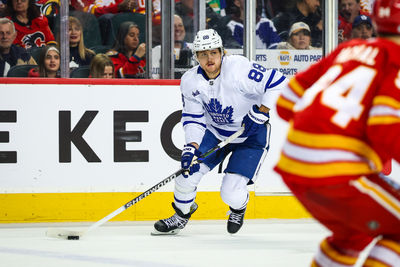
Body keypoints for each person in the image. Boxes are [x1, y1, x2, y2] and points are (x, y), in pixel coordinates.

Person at [274, 0, 400, 266]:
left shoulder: (348, 49)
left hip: (292, 165)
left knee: (352, 235)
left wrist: (320, 127)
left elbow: (285, 104)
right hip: (337, 171)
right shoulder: (394, 59)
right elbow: (383, 128)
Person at [152, 29, 288, 236]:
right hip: (215, 133)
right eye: (203, 54)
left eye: (213, 53)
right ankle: (181, 216)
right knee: (185, 177)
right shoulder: (190, 81)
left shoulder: (239, 69)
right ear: (196, 56)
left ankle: (238, 208)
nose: (209, 58)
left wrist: (261, 113)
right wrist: (191, 146)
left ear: (222, 52)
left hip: (250, 136)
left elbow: (279, 83)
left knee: (230, 193)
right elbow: (194, 118)